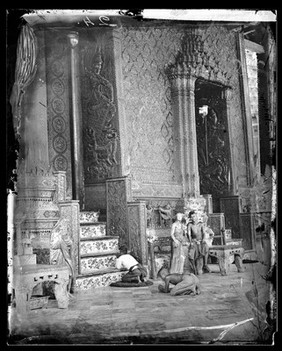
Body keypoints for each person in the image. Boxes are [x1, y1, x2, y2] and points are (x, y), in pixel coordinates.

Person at [186, 211, 211, 275]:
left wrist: (203, 239)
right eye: (191, 217)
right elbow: (188, 234)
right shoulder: (190, 225)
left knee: (206, 248)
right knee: (191, 254)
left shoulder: (201, 224)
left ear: (196, 216)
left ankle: (205, 265)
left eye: (194, 216)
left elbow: (203, 233)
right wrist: (191, 241)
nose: (193, 218)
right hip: (194, 241)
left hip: (201, 241)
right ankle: (194, 268)